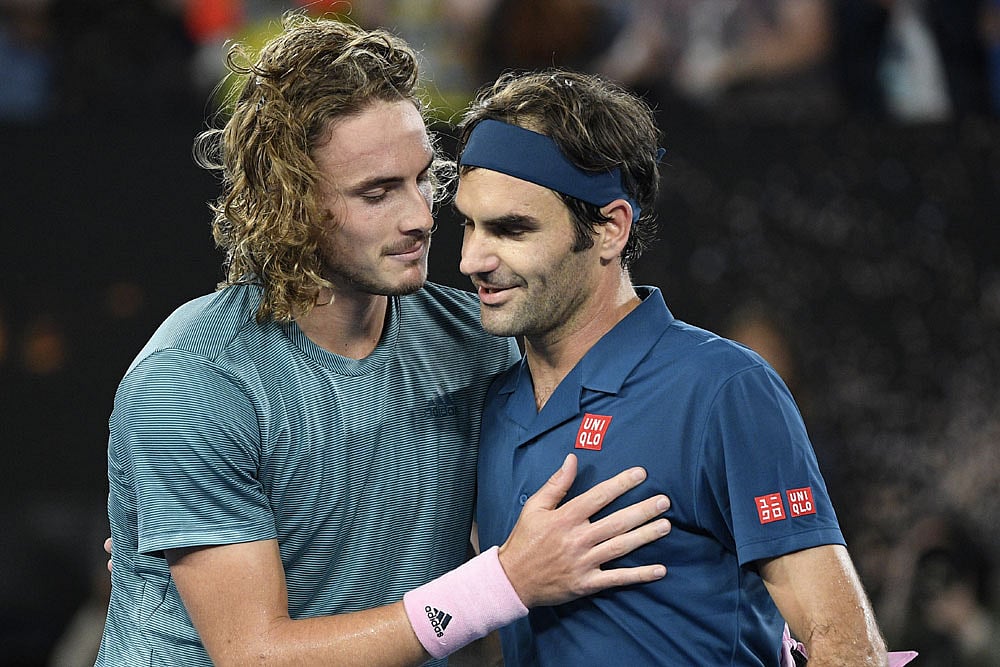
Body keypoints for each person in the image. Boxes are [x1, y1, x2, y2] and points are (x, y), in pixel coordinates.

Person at [95, 16, 672, 666]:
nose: (421, 216)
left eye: (423, 176)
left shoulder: (481, 344)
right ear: (291, 203)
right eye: (377, 192)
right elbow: (256, 655)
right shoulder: (192, 380)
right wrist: (502, 582)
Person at [455, 69, 915, 665]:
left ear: (609, 229)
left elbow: (844, 645)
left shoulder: (724, 390)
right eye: (468, 222)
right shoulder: (493, 405)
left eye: (512, 229)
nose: (472, 258)